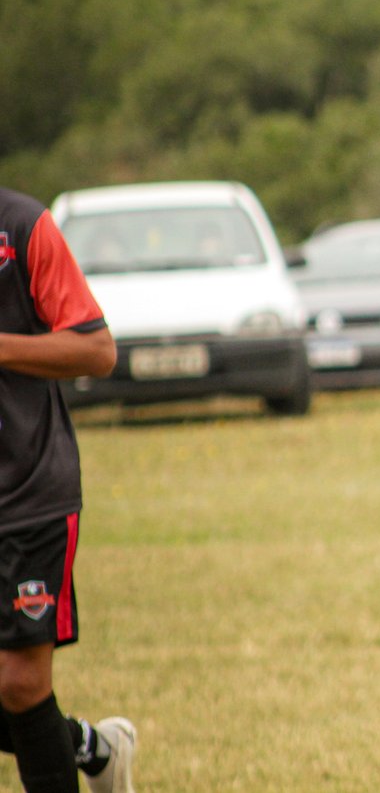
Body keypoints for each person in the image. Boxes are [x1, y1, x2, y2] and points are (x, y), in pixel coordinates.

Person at [0, 187, 136, 792]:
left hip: (25, 493)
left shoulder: (22, 226)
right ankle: (92, 749)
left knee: (19, 683)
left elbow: (96, 349)